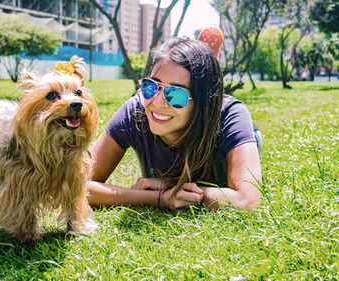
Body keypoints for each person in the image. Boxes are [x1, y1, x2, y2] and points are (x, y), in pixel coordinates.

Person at [87, 32, 262, 212]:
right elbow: (78, 184)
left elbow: (247, 201)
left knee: (253, 139)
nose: (157, 102)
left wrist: (172, 187)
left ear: (202, 101)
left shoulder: (230, 115)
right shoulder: (136, 110)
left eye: (176, 93)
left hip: (233, 129)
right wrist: (158, 198)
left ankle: (208, 66)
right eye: (151, 86)